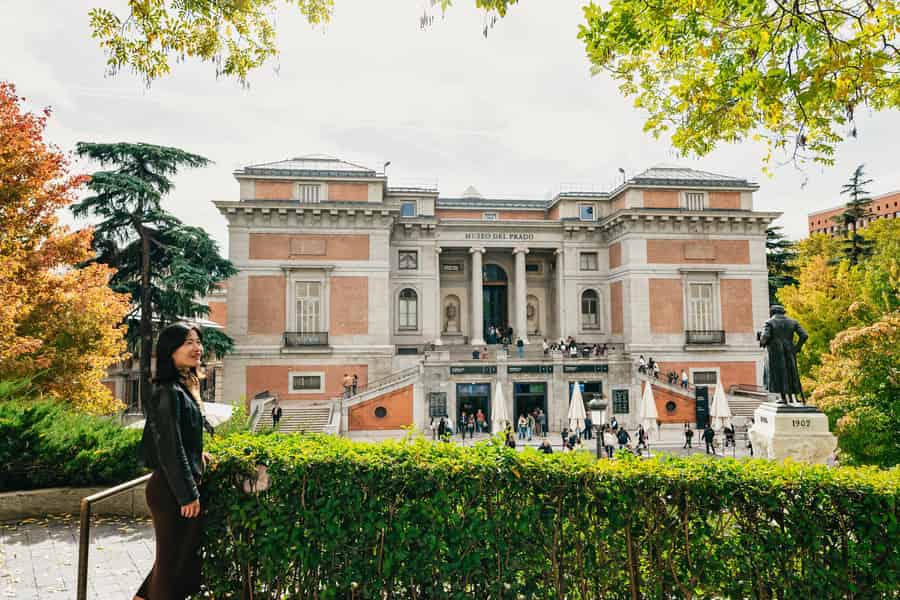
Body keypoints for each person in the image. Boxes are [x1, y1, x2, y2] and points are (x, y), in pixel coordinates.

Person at [136, 322, 212, 600]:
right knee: (171, 568)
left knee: (175, 561)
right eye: (188, 343)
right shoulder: (168, 390)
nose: (197, 348)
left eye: (198, 341)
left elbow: (182, 437)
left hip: (176, 486)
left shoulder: (181, 387)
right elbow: (169, 447)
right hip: (171, 491)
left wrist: (199, 455)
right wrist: (187, 494)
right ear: (171, 351)